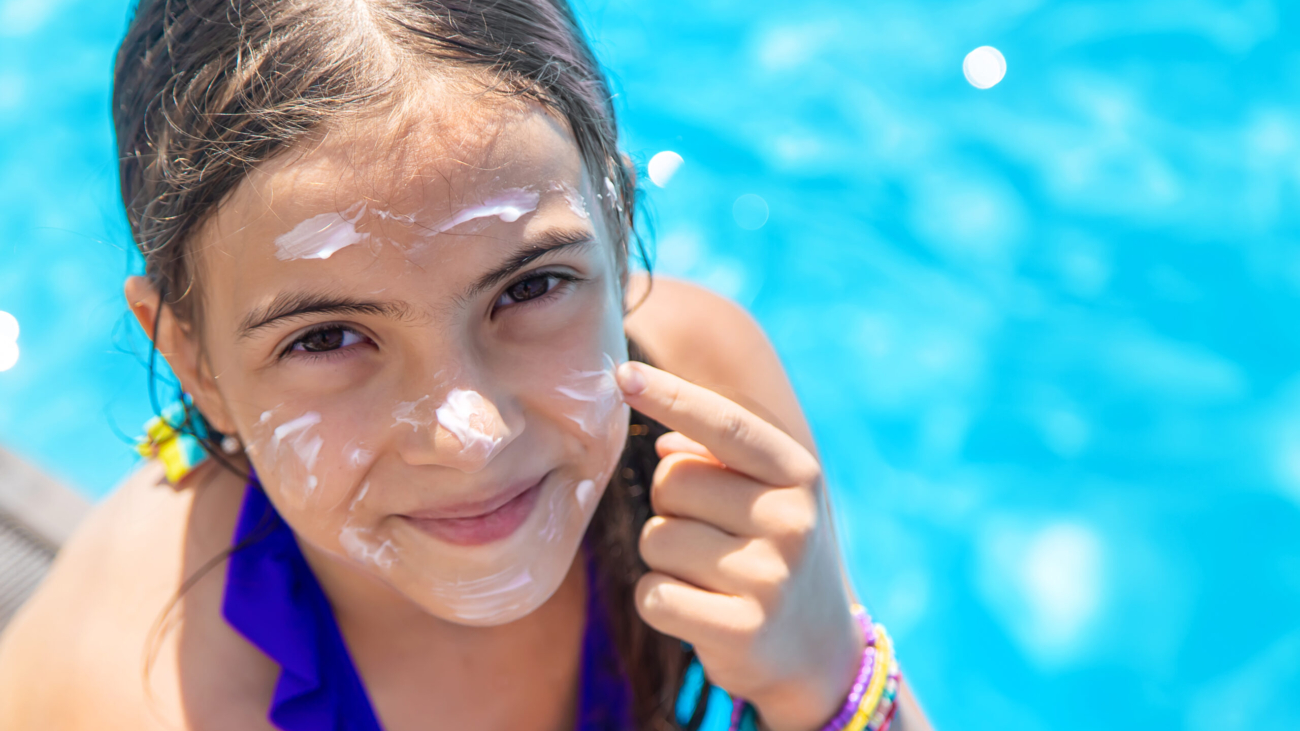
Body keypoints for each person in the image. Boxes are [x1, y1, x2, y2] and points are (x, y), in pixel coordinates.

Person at [0, 1, 933, 730]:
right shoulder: (151, 698)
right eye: (326, 337)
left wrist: (825, 676)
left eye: (530, 288)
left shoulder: (703, 399)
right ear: (191, 360)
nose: (471, 437)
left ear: (616, 228)